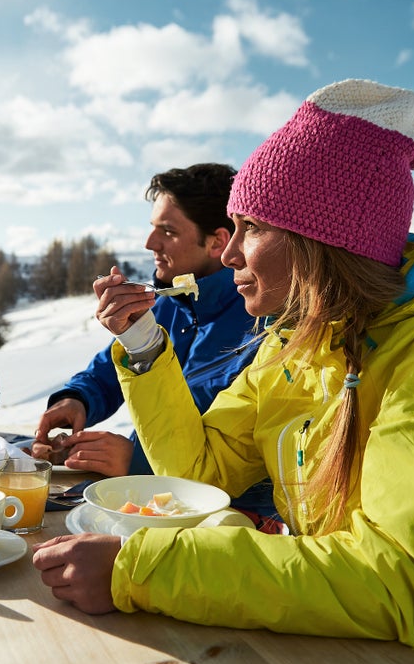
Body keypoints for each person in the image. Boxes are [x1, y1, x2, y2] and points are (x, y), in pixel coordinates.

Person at [32, 79, 414, 664]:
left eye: (251, 227)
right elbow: (198, 471)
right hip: (324, 643)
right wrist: (144, 344)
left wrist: (140, 571)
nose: (229, 254)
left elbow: (395, 581)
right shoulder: (298, 343)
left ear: (319, 240)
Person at [31, 163, 276, 523]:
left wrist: (136, 461)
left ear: (217, 242)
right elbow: (112, 368)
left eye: (168, 231)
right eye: (153, 228)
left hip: (228, 521)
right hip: (154, 505)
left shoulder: (262, 327)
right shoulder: (170, 305)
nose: (150, 244)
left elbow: (250, 459)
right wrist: (77, 399)